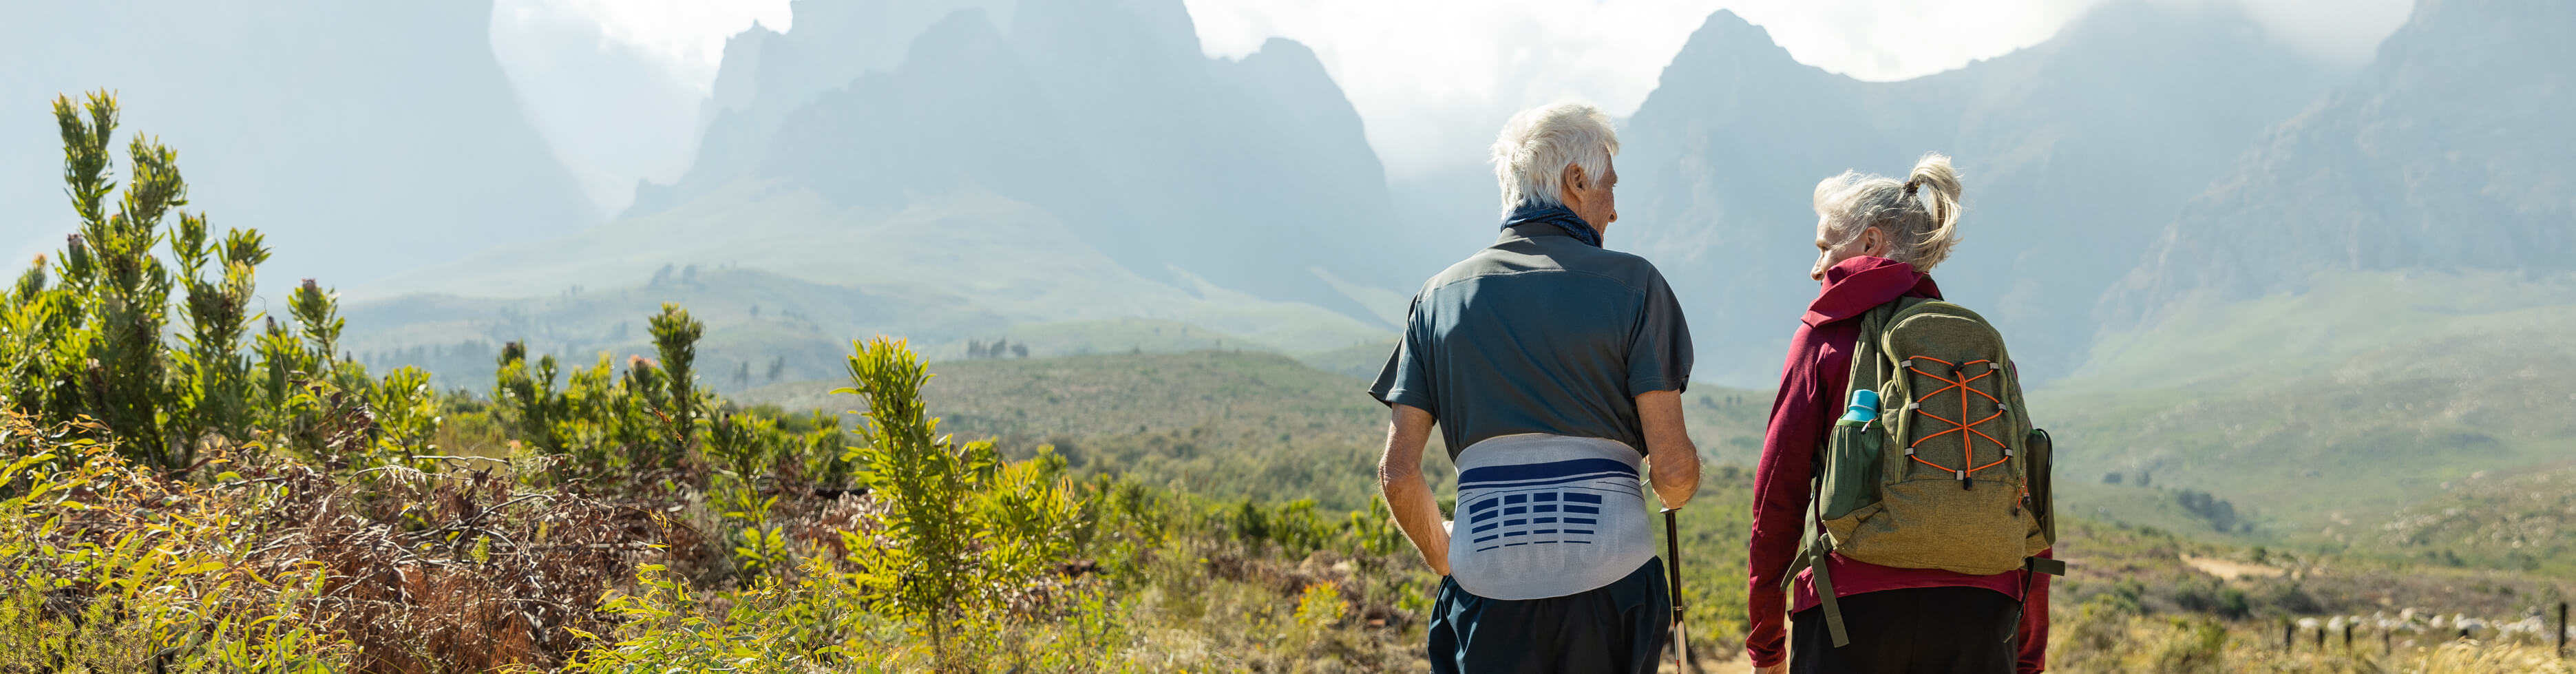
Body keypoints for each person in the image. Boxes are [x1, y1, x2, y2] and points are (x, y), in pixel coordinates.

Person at [1371, 101, 1702, 674]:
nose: (1615, 210)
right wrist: (1674, 489)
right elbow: (1671, 472)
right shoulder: (1635, 285)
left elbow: (1398, 474)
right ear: (1576, 181)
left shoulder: (1436, 299)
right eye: (1609, 188)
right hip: (1612, 586)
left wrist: (1448, 555)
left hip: (1485, 594)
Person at [1743, 154, 2051, 674]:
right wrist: (2028, 654)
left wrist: (1767, 641)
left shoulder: (1823, 340)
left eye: (1824, 247)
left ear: (1870, 243)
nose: (1816, 268)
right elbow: (2030, 496)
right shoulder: (1975, 352)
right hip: (1983, 614)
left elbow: (1778, 496)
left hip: (1851, 611)